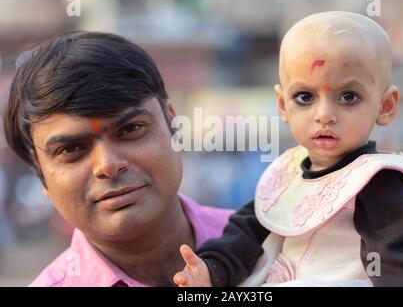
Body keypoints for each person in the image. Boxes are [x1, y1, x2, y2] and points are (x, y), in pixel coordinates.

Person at [173, 11, 403, 287]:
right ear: (282, 105)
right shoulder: (287, 172)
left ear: (386, 106)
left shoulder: (376, 179)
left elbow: (402, 264)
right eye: (304, 97)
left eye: (348, 97)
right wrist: (212, 269)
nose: (324, 114)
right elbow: (245, 234)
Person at [3, 31, 234, 287]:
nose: (108, 165)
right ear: (40, 171)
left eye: (129, 129)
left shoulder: (272, 242)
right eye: (71, 149)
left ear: (172, 122)